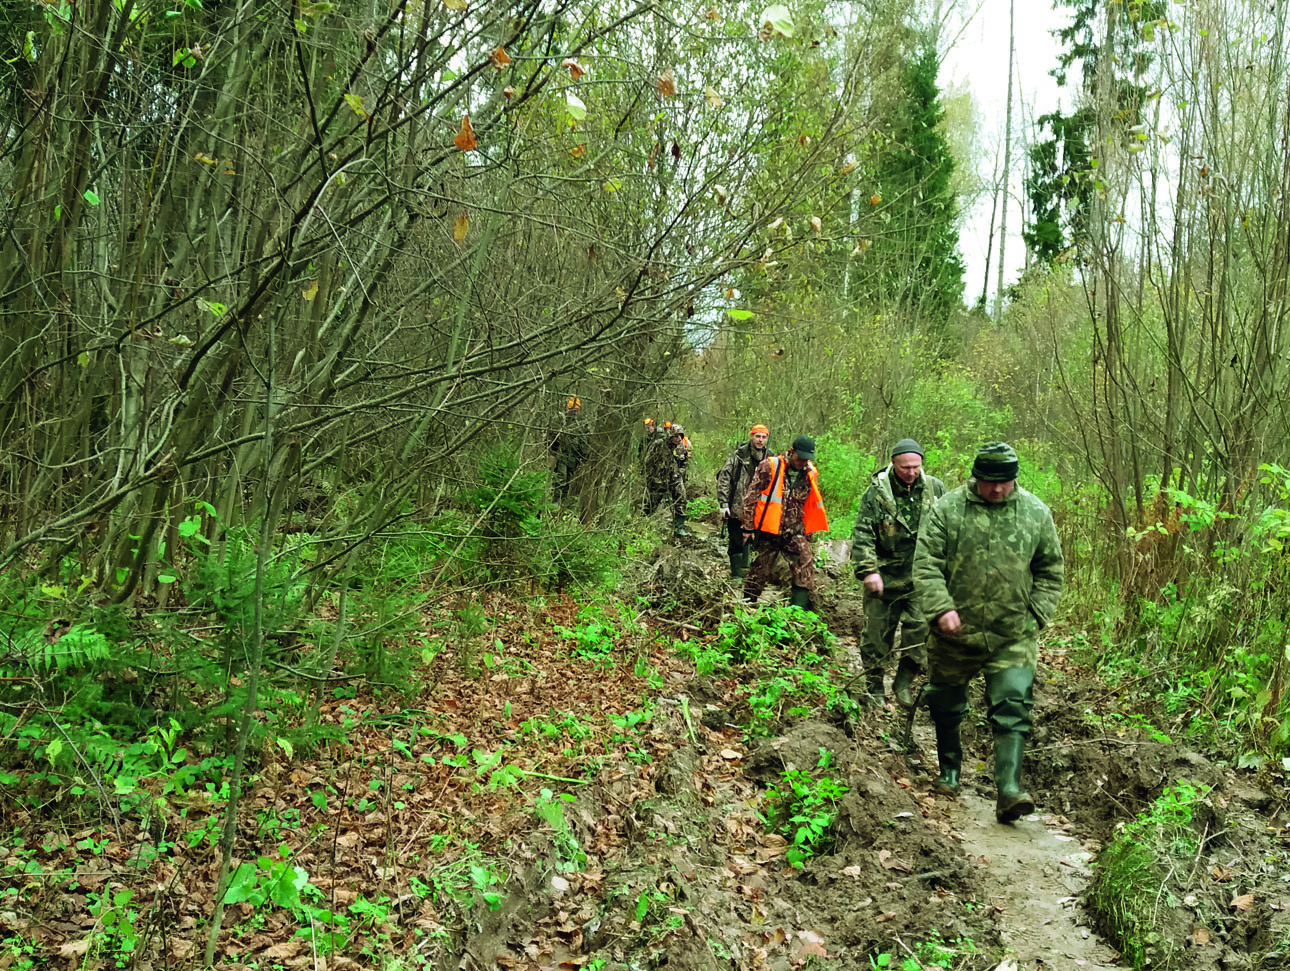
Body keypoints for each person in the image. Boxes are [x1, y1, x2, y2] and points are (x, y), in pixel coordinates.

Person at [913, 442, 1064, 823]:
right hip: (953, 633)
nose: (997, 490)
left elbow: (1050, 570)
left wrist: (1035, 615)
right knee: (946, 704)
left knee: (1013, 706)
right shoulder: (947, 509)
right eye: (989, 482)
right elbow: (926, 564)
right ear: (975, 478)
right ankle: (949, 770)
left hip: (1012, 633)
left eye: (1005, 482)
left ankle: (1009, 791)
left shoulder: (1035, 513)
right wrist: (941, 608)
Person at [850, 439, 946, 707]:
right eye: (906, 468)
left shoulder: (934, 488)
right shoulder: (877, 493)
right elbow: (863, 534)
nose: (912, 472)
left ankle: (903, 682)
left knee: (919, 632)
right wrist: (869, 571)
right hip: (885, 575)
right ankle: (874, 687)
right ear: (893, 463)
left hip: (921, 577)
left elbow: (948, 528)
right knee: (877, 636)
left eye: (916, 467)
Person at [740, 435, 829, 610]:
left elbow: (809, 504)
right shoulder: (770, 466)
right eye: (800, 457)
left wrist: (808, 532)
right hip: (769, 530)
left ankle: (798, 611)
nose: (803, 462)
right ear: (792, 451)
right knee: (760, 570)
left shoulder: (810, 473)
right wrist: (747, 527)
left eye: (806, 459)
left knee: (805, 562)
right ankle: (747, 604)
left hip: (794, 530)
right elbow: (750, 496)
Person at [716, 424, 770, 578]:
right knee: (736, 542)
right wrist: (723, 504)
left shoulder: (771, 458)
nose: (760, 440)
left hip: (760, 510)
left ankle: (751, 576)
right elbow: (724, 479)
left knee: (756, 543)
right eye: (757, 436)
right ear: (751, 436)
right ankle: (737, 577)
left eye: (763, 437)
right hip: (736, 507)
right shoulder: (738, 456)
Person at [645, 423, 690, 537]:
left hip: (674, 479)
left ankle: (679, 528)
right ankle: (644, 525)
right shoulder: (659, 445)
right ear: (670, 435)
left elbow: (685, 462)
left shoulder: (681, 447)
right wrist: (651, 477)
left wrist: (680, 473)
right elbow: (647, 461)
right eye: (675, 436)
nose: (678, 439)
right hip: (658, 480)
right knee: (651, 504)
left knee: (682, 498)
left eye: (680, 436)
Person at [550, 397, 589, 503]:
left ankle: (562, 505)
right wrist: (552, 454)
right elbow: (551, 437)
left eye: (577, 409)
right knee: (559, 480)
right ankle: (554, 503)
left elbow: (583, 441)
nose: (576, 412)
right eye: (574, 409)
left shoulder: (579, 424)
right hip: (560, 456)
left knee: (567, 482)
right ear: (569, 408)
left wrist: (584, 456)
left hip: (573, 459)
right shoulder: (559, 420)